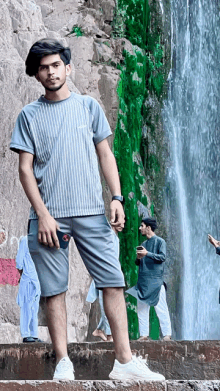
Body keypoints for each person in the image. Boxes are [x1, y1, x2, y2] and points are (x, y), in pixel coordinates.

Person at [10, 38, 165, 382]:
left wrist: (117, 197)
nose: (50, 72)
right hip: (48, 216)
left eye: (55, 65)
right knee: (54, 289)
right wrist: (43, 214)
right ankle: (63, 361)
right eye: (43, 67)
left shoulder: (89, 107)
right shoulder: (29, 116)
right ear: (36, 74)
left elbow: (105, 154)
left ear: (68, 67)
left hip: (93, 213)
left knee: (112, 281)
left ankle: (124, 361)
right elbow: (24, 169)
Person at [127, 217, 172, 341]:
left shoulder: (160, 242)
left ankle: (167, 334)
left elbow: (162, 257)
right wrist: (139, 257)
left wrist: (147, 254)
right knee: (141, 308)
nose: (139, 228)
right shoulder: (143, 245)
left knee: (161, 308)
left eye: (142, 226)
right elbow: (138, 262)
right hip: (143, 282)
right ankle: (144, 335)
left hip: (156, 282)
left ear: (148, 227)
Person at [16, 236, 42, 343]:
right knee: (26, 307)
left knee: (34, 308)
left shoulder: (40, 241)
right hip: (28, 279)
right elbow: (19, 262)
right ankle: (26, 334)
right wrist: (23, 275)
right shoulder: (25, 240)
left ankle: (34, 334)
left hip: (37, 280)